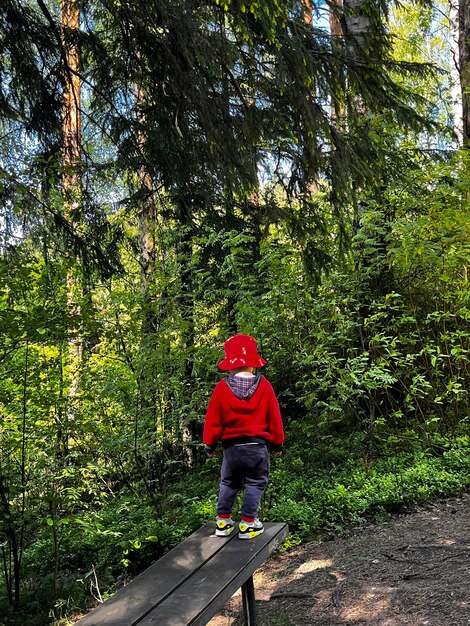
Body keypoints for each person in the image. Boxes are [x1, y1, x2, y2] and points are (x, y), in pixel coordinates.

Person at [203, 334, 284, 539]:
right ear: (254, 365)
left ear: (230, 366)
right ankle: (248, 524)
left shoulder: (222, 388)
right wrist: (277, 443)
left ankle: (223, 521)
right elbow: (274, 417)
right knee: (255, 483)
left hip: (231, 449)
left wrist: (209, 445)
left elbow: (213, 419)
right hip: (257, 447)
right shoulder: (264, 386)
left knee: (228, 482)